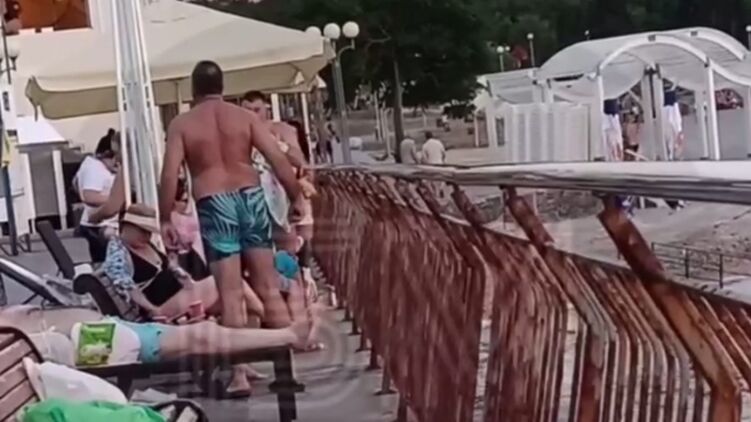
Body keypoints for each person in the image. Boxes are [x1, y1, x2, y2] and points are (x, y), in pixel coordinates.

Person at [158, 61, 302, 396]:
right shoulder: (245, 117)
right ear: (222, 87)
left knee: (231, 293)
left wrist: (165, 218)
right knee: (268, 288)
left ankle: (239, 376)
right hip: (250, 196)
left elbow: (169, 174)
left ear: (193, 90)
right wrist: (296, 196)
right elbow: (277, 159)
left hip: (214, 202)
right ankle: (286, 372)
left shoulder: (182, 124)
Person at [0, 305, 312, 366]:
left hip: (111, 332)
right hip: (108, 340)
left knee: (204, 333)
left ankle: (286, 335)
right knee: (203, 335)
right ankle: (286, 336)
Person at [102, 205, 265, 322]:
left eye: (148, 232)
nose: (146, 236)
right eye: (142, 231)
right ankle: (269, 320)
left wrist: (177, 270)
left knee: (235, 301)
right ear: (127, 226)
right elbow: (125, 285)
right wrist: (152, 309)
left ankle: (251, 347)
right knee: (228, 281)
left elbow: (170, 270)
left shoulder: (146, 245)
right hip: (159, 306)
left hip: (180, 294)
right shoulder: (118, 249)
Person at [74, 129, 120, 264]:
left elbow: (75, 183)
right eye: (114, 159)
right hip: (100, 225)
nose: (117, 163)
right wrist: (116, 199)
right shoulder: (95, 169)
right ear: (105, 155)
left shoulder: (89, 164)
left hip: (96, 223)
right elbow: (90, 196)